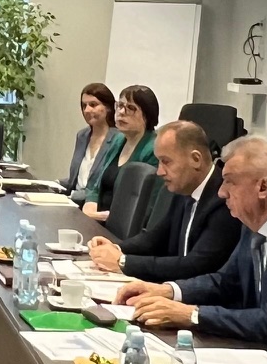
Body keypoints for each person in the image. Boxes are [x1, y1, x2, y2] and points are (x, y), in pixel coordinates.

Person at [113, 135, 267, 352]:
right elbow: (225, 282)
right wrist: (168, 291)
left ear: (263, 188)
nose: (221, 191)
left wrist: (190, 314)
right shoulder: (254, 222)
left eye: (230, 181)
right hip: (265, 352)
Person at [87, 119, 241, 281]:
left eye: (166, 162)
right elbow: (155, 239)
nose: (159, 171)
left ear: (196, 159)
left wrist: (123, 261)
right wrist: (115, 248)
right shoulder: (183, 189)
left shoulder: (224, 200)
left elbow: (196, 266)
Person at [81, 85, 162, 226]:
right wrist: (90, 208)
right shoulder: (118, 140)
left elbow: (148, 205)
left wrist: (109, 217)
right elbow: (96, 185)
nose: (121, 112)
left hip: (125, 227)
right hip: (99, 220)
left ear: (147, 115)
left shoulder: (154, 149)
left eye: (130, 108)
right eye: (120, 106)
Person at [66, 83, 123, 216]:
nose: (87, 110)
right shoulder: (82, 135)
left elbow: (104, 187)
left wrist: (73, 196)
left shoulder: (119, 139)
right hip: (72, 204)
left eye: (93, 105)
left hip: (95, 208)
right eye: (84, 106)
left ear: (108, 107)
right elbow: (77, 180)